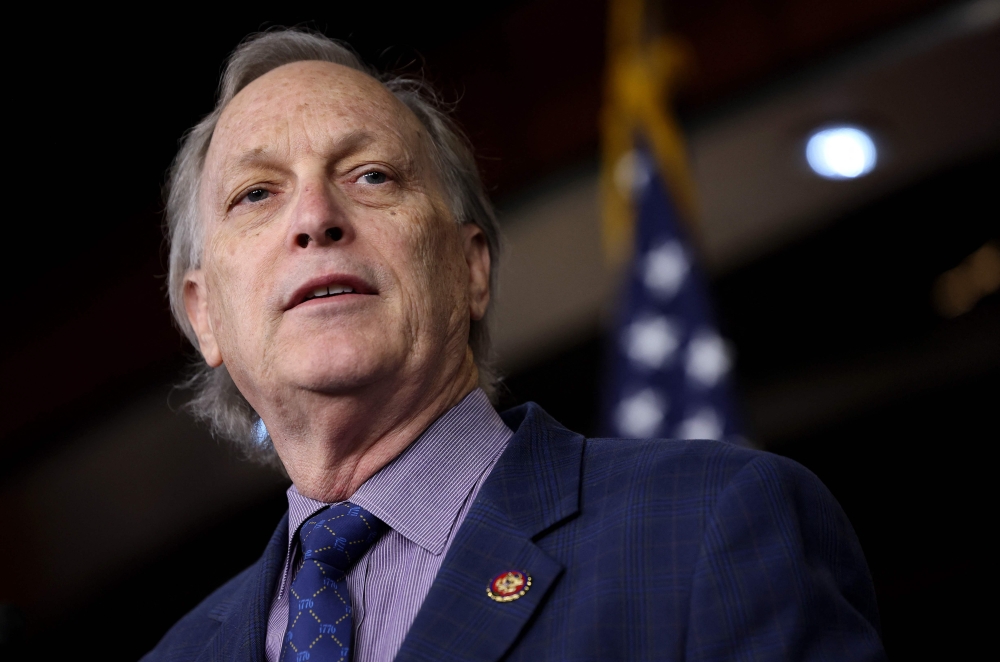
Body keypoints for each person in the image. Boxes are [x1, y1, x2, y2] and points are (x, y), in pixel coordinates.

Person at [143, 29, 886, 662]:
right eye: (256, 194)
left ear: (471, 268)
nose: (315, 216)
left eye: (370, 175)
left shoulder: (712, 524)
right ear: (203, 314)